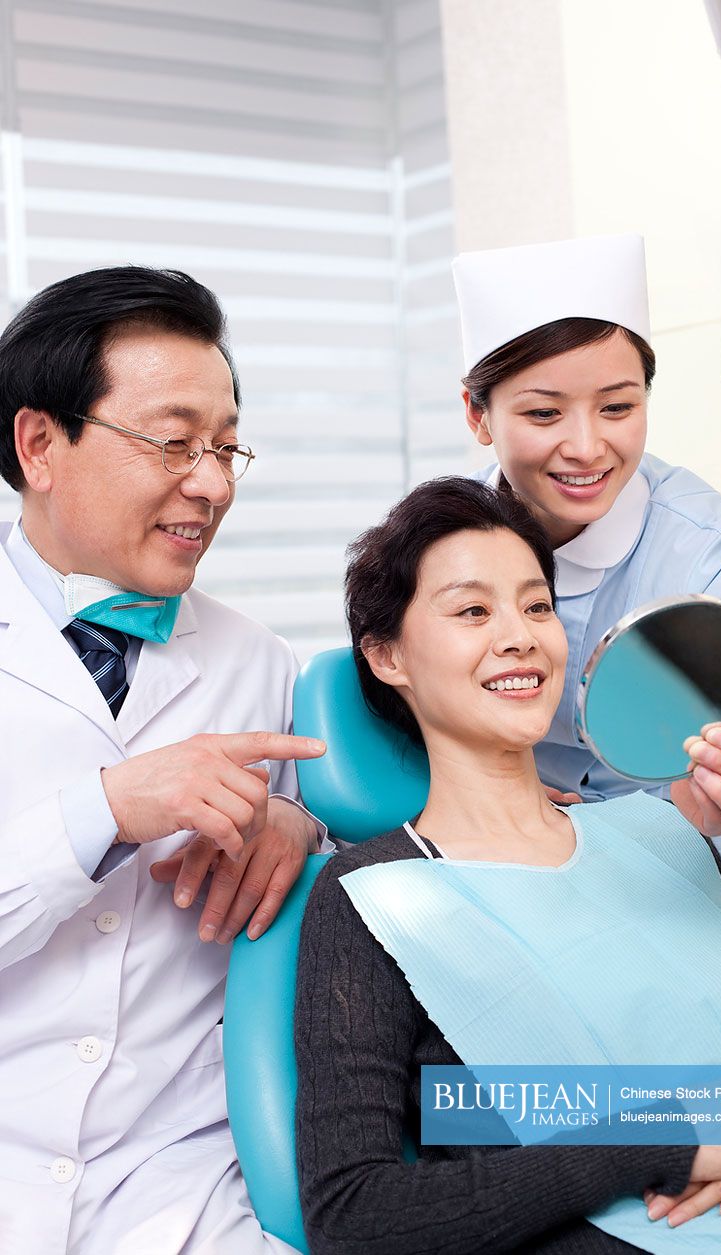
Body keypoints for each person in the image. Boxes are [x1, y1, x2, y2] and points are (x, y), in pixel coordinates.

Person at [295, 476, 721, 1255]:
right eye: (473, 610)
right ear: (386, 655)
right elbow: (355, 1214)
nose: (520, 635)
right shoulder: (374, 899)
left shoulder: (661, 835)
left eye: (537, 606)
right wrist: (669, 1137)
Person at [0, 267, 330, 1254]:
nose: (213, 482)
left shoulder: (258, 662)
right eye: (175, 442)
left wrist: (295, 828)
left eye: (227, 448)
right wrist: (106, 807)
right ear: (39, 444)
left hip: (180, 1184)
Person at [453, 233, 721, 978]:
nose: (586, 447)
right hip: (515, 921)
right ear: (478, 416)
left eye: (618, 406)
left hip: (695, 929)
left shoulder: (698, 540)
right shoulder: (443, 541)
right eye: (545, 414)